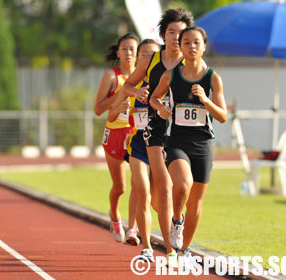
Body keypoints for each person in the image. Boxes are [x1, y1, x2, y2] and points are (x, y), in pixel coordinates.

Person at [121, 8, 194, 265]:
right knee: (156, 189)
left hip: (181, 135)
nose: (176, 37)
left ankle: (176, 229)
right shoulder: (151, 59)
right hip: (152, 132)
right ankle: (160, 249)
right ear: (163, 35)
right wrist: (137, 93)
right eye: (171, 32)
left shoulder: (191, 64)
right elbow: (128, 84)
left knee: (177, 189)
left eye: (181, 33)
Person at [150, 26, 227, 267]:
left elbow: (223, 116)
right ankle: (176, 221)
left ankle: (184, 250)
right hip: (177, 142)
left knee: (196, 202)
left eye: (196, 43)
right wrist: (160, 107)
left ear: (204, 46)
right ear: (180, 47)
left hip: (202, 144)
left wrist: (205, 100)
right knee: (183, 184)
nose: (191, 47)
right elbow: (154, 97)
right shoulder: (171, 75)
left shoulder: (212, 77)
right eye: (187, 43)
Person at [110, 39, 160, 259]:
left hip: (160, 145)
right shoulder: (130, 86)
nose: (148, 59)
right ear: (139, 59)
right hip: (137, 143)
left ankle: (174, 224)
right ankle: (138, 235)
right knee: (140, 189)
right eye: (144, 55)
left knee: (158, 199)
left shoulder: (166, 82)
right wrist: (120, 108)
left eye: (153, 55)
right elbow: (110, 114)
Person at [94, 33, 139, 243]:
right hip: (114, 133)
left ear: (138, 52)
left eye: (132, 49)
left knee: (140, 183)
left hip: (136, 133)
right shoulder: (112, 76)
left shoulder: (144, 75)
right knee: (120, 187)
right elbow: (98, 109)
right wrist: (118, 97)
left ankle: (133, 228)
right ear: (118, 52)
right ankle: (114, 215)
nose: (129, 53)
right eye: (125, 49)